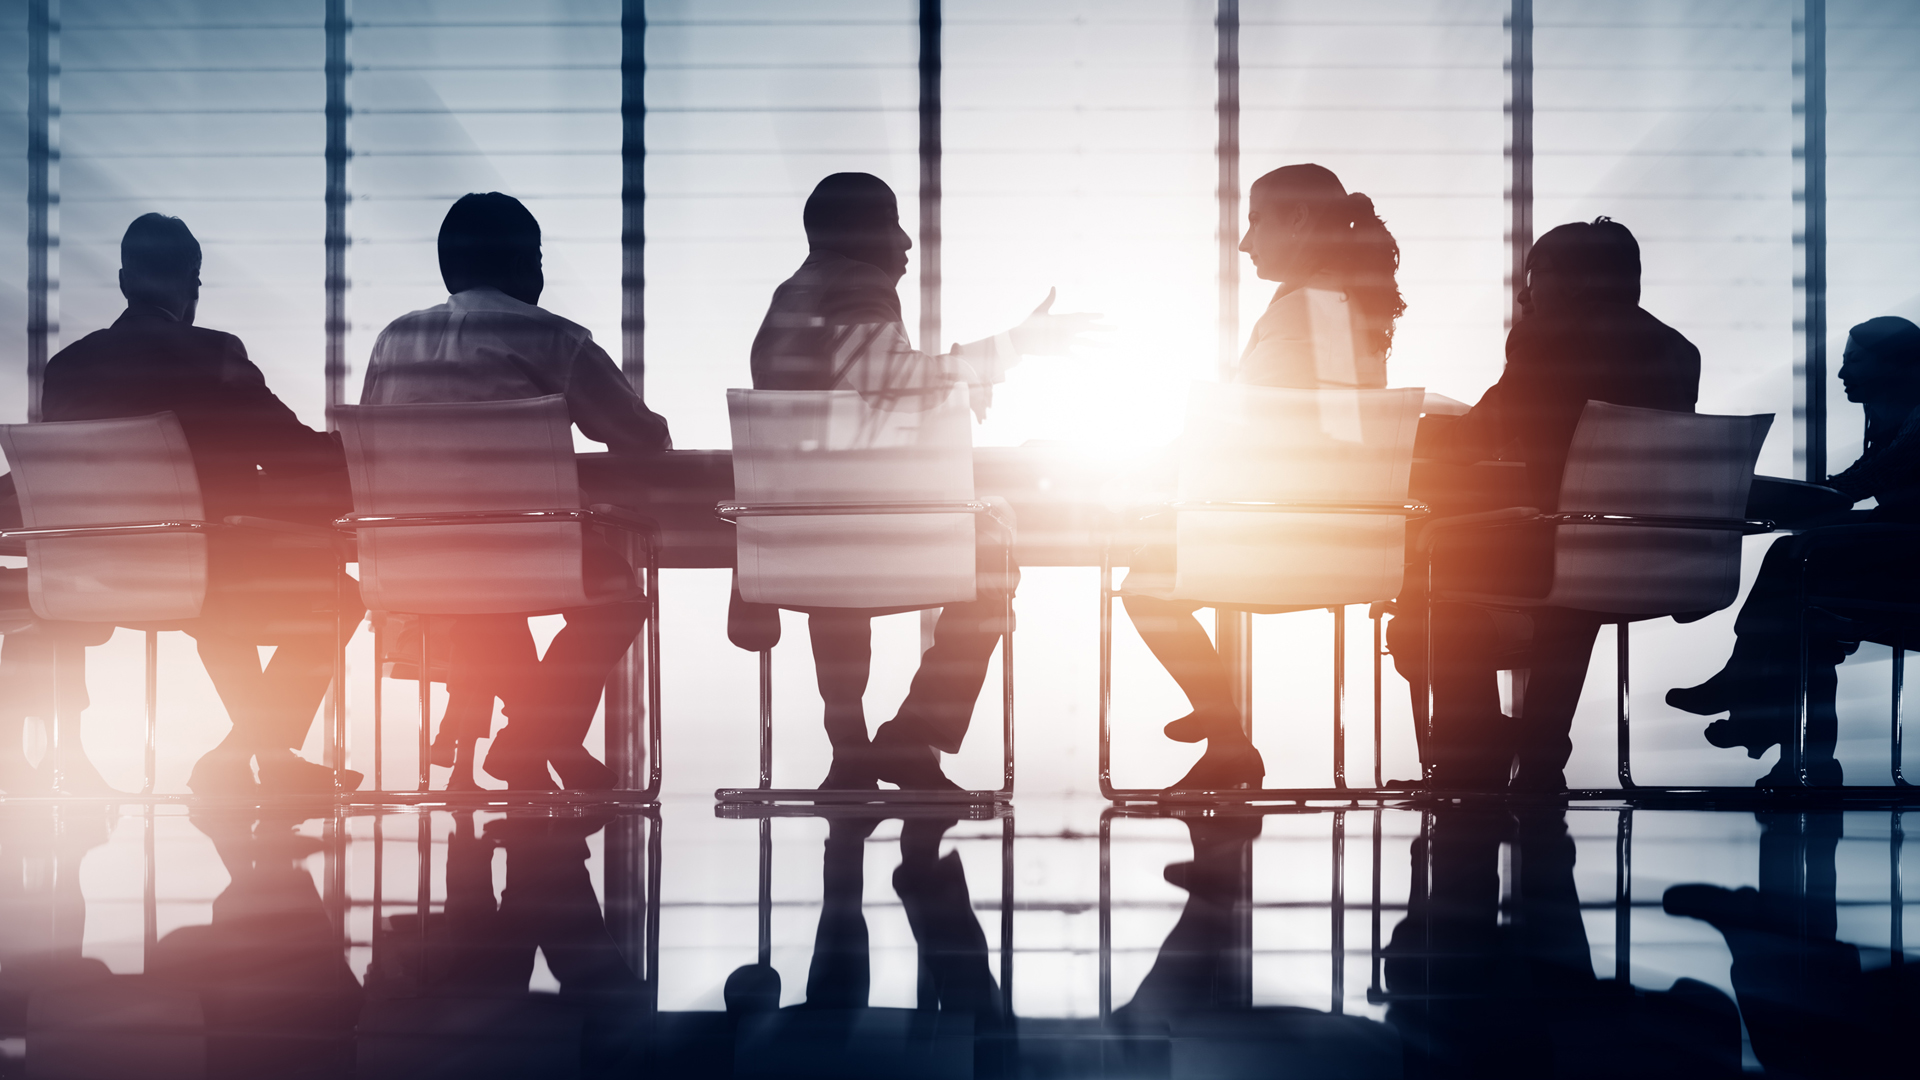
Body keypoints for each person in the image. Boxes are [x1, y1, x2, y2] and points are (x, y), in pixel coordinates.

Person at [746, 171, 1099, 791]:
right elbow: (891, 379)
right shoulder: (857, 285)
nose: (906, 242)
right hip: (876, 532)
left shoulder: (789, 299)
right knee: (994, 558)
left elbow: (853, 407)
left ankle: (852, 752)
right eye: (892, 222)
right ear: (859, 232)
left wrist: (954, 389)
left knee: (834, 567)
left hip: (805, 540)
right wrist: (1011, 348)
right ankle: (912, 737)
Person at [39, 213, 361, 795]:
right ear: (191, 281)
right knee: (342, 593)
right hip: (207, 574)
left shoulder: (67, 369)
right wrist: (361, 449)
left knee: (218, 572)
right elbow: (292, 453)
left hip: (90, 580)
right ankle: (256, 747)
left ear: (122, 279)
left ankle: (251, 752)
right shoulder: (213, 354)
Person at [361, 192, 671, 791]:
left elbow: (370, 445)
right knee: (619, 596)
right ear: (526, 265)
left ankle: (532, 742)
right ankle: (536, 736)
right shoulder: (556, 340)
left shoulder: (391, 341)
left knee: (487, 599)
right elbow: (639, 437)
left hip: (410, 562)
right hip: (520, 555)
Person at [1120, 163, 1407, 790]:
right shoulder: (1348, 305)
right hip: (1348, 542)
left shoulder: (1312, 310)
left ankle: (1226, 737)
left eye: (1256, 221)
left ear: (1298, 220)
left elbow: (1240, 428)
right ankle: (1218, 714)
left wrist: (1144, 465)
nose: (1247, 242)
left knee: (1144, 584)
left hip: (1292, 542)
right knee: (1158, 550)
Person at [1389, 217, 1700, 792]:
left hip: (1552, 549)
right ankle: (1537, 753)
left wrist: (1406, 431)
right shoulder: (1680, 352)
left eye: (1535, 275)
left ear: (1575, 279)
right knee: (1571, 579)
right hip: (1649, 554)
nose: (1526, 292)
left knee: (1427, 588)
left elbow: (1482, 434)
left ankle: (1473, 750)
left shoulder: (1548, 337)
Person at [1666, 317, 1920, 787]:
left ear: (1899, 366)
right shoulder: (1894, 419)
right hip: (1900, 554)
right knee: (1800, 612)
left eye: (1855, 363)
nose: (1843, 375)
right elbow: (1850, 488)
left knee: (1794, 564)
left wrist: (1755, 499)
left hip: (1910, 566)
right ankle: (1797, 759)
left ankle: (1746, 697)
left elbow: (1857, 485)